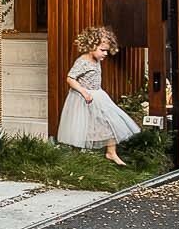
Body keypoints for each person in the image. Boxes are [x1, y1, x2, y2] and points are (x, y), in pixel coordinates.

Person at [56, 25, 140, 164]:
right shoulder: (83, 61)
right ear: (91, 46)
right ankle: (78, 156)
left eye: (107, 51)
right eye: (102, 50)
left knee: (110, 122)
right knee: (82, 126)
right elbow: (70, 78)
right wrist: (83, 91)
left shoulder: (97, 60)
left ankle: (111, 152)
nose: (105, 54)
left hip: (98, 96)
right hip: (83, 98)